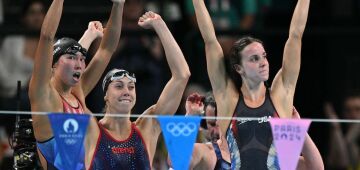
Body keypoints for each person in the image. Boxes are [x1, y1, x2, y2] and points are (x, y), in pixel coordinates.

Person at [192, 0, 310, 168]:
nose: (263, 62)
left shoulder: (280, 95)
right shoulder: (228, 98)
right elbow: (210, 40)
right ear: (239, 68)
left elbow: (296, 35)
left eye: (264, 56)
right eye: (254, 59)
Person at [85, 11, 190, 169]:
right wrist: (88, 37)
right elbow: (67, 92)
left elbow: (182, 75)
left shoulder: (147, 128)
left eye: (131, 87)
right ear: (105, 95)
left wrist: (160, 26)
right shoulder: (91, 130)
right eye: (119, 86)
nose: (126, 91)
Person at [29, 0, 125, 169]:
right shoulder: (43, 94)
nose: (79, 64)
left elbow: (106, 49)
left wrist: (118, 5)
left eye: (82, 59)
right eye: (71, 58)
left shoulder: (77, 93)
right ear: (53, 64)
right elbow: (46, 36)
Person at [185, 92, 323, 170]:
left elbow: (315, 168)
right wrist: (189, 118)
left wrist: (297, 127)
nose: (216, 130)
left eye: (220, 123)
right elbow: (176, 161)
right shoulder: (209, 154)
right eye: (211, 124)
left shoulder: (267, 153)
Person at [325, 89, 360, 170]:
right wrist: (335, 128)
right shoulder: (336, 134)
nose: (353, 114)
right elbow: (341, 163)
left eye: (358, 109)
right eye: (348, 110)